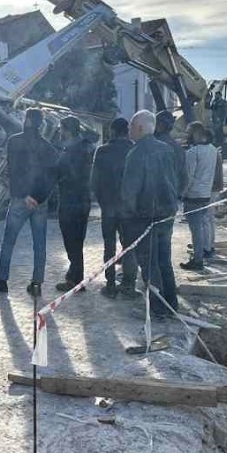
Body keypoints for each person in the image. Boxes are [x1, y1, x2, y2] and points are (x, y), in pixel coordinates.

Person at [0, 107, 58, 298]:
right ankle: (37, 283)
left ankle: (2, 280)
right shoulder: (48, 147)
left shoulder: (14, 141)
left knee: (9, 240)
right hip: (40, 202)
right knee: (39, 244)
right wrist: (38, 197)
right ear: (41, 123)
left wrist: (25, 194)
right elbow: (52, 176)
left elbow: (14, 170)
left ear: (27, 120)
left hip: (20, 198)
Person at [120, 109, 179, 317]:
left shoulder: (136, 153)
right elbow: (176, 180)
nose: (129, 131)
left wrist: (127, 215)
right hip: (167, 213)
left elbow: (130, 190)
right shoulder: (167, 149)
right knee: (164, 260)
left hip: (145, 216)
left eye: (131, 127)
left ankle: (157, 309)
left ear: (141, 127)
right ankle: (171, 303)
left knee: (149, 264)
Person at [92, 116, 136, 299]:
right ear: (126, 131)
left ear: (112, 131)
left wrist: (102, 201)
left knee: (109, 246)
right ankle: (128, 285)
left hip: (108, 207)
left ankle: (110, 284)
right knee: (129, 247)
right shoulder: (134, 149)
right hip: (129, 208)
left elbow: (94, 182)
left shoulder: (102, 151)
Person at [55, 115, 94, 292]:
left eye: (61, 128)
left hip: (71, 201)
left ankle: (75, 280)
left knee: (72, 242)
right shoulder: (86, 147)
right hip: (83, 201)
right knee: (77, 242)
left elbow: (66, 175)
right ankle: (75, 277)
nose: (59, 132)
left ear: (68, 131)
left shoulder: (72, 150)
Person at [181, 121, 219, 272]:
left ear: (195, 133)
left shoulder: (193, 152)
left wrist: (181, 194)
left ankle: (197, 260)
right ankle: (203, 252)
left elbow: (188, 177)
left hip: (193, 196)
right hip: (205, 194)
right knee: (202, 226)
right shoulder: (213, 150)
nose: (186, 135)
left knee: (195, 229)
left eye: (188, 132)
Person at [154, 110, 187, 198]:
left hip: (154, 199)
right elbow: (184, 177)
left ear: (159, 126)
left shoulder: (152, 147)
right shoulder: (178, 148)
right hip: (172, 198)